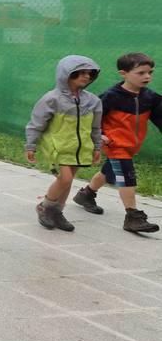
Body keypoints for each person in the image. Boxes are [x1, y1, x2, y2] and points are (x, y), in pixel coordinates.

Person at [74, 52, 162, 233]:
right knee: (127, 176)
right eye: (141, 73)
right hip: (114, 144)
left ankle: (86, 195)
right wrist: (100, 136)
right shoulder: (111, 96)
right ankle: (132, 216)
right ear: (124, 73)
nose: (147, 77)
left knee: (110, 171)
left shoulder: (150, 97)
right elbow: (92, 118)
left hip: (132, 145)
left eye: (150, 72)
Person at [26, 55, 103, 232]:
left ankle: (57, 212)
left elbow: (96, 127)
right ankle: (45, 207)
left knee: (68, 182)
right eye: (80, 73)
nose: (86, 76)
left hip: (79, 148)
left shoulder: (93, 101)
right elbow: (36, 123)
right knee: (65, 178)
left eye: (89, 73)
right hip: (57, 146)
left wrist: (97, 146)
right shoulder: (51, 99)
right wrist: (31, 145)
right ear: (66, 74)